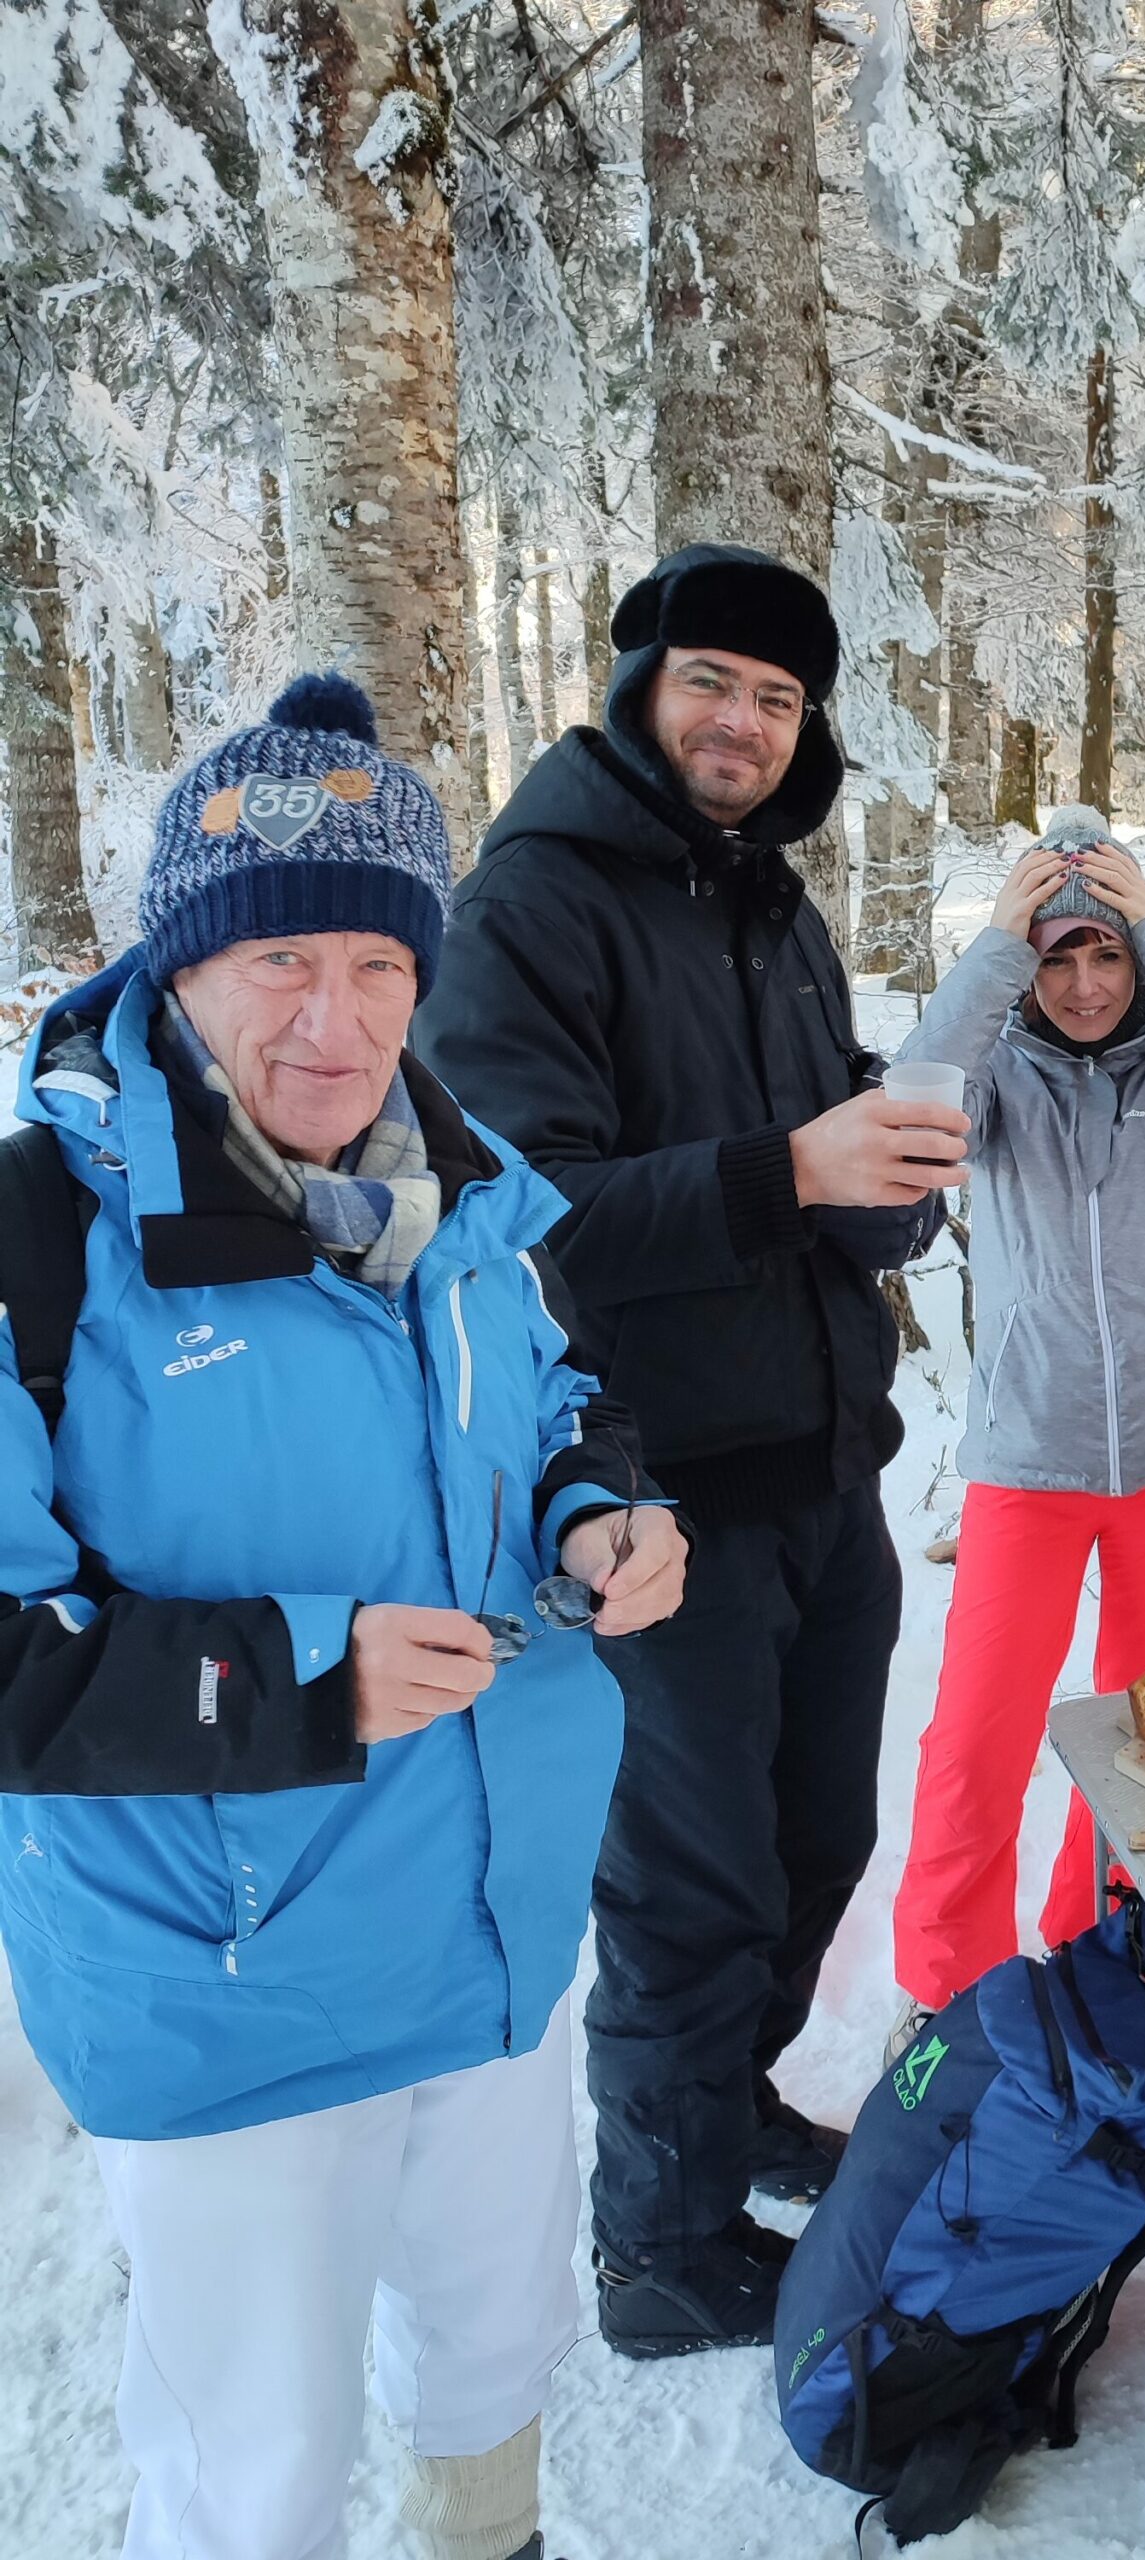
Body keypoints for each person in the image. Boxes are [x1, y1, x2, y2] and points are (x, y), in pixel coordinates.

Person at [0, 677, 686, 2560]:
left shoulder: (463, 1199)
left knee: (491, 2364)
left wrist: (595, 1516)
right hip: (228, 1994)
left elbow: (556, 1408)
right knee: (263, 2473)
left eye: (380, 964)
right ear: (176, 967)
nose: (338, 1020)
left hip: (484, 1928)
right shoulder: (38, 1240)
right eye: (280, 959)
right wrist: (304, 1674)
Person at [417, 545, 959, 2357]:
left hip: (819, 1464)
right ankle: (656, 2244)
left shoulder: (775, 910)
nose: (744, 722)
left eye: (781, 699)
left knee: (818, 1842)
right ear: (645, 680)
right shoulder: (539, 903)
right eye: (714, 680)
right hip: (651, 1489)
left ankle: (724, 2119)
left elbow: (807, 1170)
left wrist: (885, 1191)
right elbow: (518, 1215)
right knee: (691, 1882)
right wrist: (788, 1172)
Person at [885, 815, 1145, 2037]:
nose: (1086, 984)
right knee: (979, 1733)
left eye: (1105, 955)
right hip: (1032, 1456)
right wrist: (998, 945)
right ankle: (945, 1989)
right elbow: (914, 1094)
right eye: (1059, 958)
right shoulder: (996, 1078)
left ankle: (1108, 1946)